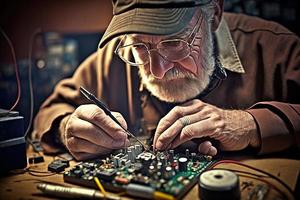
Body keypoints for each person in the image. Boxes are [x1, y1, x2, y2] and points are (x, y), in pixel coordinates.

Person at [33, 0, 300, 161]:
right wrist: (66, 128)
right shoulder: (112, 59)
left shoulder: (277, 49)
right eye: (140, 46)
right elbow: (50, 111)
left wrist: (250, 125)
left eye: (174, 42)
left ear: (214, 14)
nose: (157, 71)